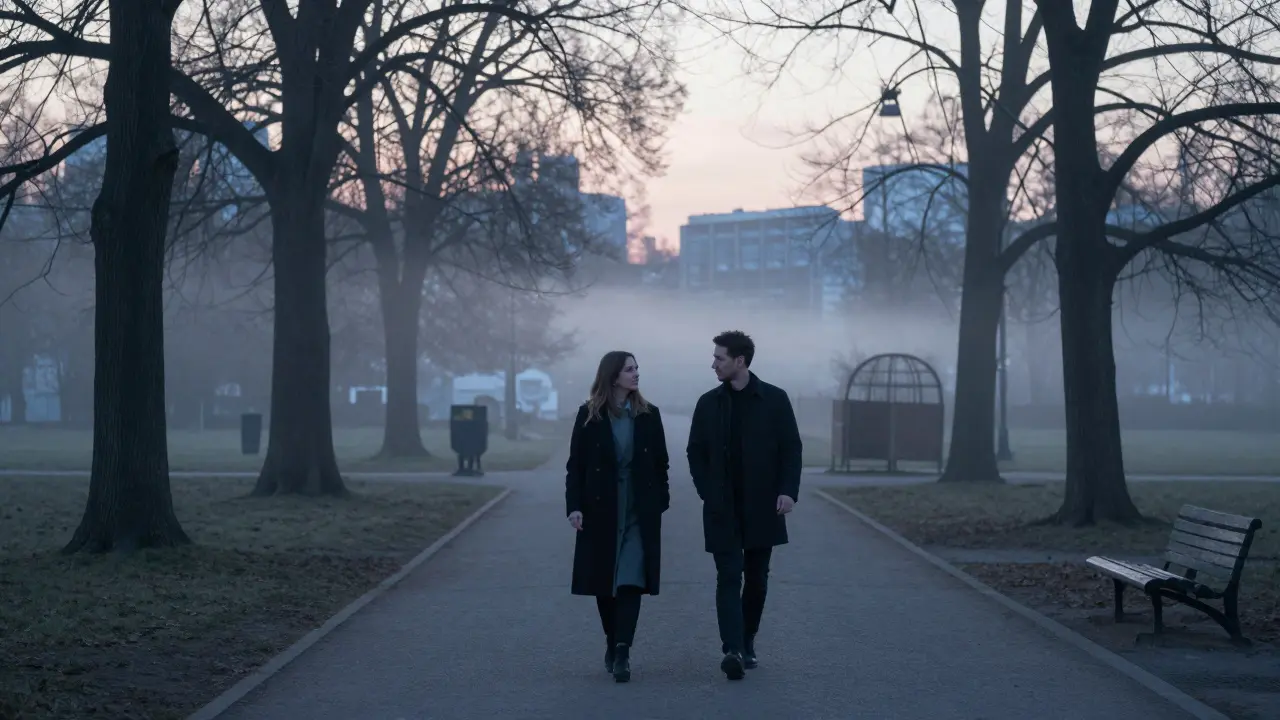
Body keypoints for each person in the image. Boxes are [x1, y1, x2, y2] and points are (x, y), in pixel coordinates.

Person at [686, 330, 802, 680]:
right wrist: (708, 491)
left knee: (757, 579)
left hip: (763, 505)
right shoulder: (709, 403)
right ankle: (732, 649)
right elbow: (696, 452)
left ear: (740, 361)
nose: (714, 364)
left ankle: (747, 639)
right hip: (722, 506)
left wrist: (788, 491)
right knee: (727, 575)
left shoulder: (775, 400)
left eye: (719, 358)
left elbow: (791, 449)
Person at [565, 351, 671, 683]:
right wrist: (575, 506)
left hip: (638, 509)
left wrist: (660, 500)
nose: (636, 374)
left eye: (637, 367)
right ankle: (612, 641)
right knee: (603, 582)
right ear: (613, 376)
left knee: (630, 580)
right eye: (629, 369)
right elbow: (576, 467)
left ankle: (623, 650)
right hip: (601, 507)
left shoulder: (648, 415)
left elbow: (661, 462)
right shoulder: (589, 415)